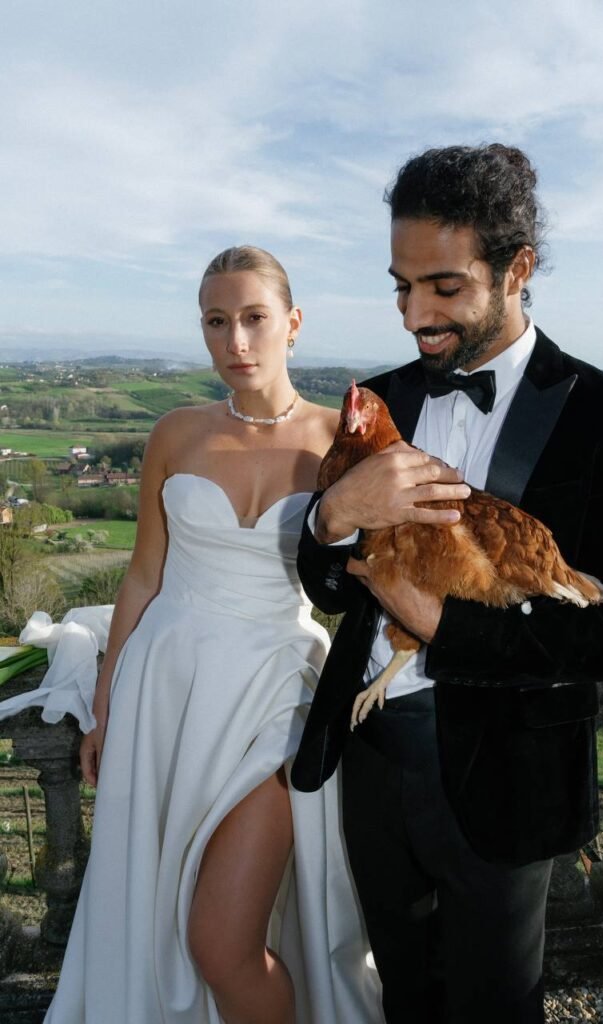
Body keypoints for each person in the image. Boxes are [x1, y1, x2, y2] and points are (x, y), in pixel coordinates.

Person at [291, 144, 603, 1024]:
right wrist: (331, 514)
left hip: (511, 772)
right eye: (401, 285)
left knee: (496, 1008)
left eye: (445, 288)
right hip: (374, 755)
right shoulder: (377, 401)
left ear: (517, 269)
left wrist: (446, 627)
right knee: (406, 1002)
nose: (415, 314)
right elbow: (323, 584)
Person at [39, 246, 381, 1024]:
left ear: (293, 325)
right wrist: (105, 700)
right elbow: (142, 577)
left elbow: (362, 583)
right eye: (216, 323)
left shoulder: (342, 443)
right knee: (156, 904)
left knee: (220, 944)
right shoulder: (175, 431)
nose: (237, 342)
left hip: (277, 694)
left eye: (255, 319)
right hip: (168, 689)